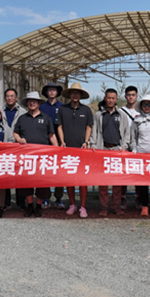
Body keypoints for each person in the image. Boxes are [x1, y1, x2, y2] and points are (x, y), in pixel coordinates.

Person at [14, 91, 59, 217]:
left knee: (41, 182)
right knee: (27, 182)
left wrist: (57, 151)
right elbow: (15, 132)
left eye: (35, 101)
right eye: (30, 101)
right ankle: (29, 206)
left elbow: (51, 135)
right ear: (27, 103)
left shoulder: (46, 118)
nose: (32, 103)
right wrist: (18, 139)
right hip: (26, 157)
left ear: (39, 103)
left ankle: (38, 206)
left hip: (42, 157)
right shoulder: (22, 118)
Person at [91, 88, 131, 217]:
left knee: (117, 181)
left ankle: (115, 206)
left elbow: (127, 133)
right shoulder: (99, 115)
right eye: (108, 98)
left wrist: (124, 146)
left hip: (117, 150)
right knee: (102, 181)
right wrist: (93, 145)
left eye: (113, 98)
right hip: (102, 149)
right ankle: (104, 207)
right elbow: (94, 132)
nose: (111, 100)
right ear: (105, 98)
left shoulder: (122, 115)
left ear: (116, 100)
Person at [57, 83, 94, 218]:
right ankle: (73, 204)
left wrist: (86, 141)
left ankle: (83, 206)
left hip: (82, 149)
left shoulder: (86, 110)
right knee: (69, 178)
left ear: (81, 95)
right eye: (73, 93)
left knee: (82, 180)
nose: (75, 95)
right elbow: (59, 126)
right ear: (69, 95)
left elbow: (89, 127)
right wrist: (62, 141)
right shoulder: (62, 109)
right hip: (67, 149)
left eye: (77, 93)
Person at [40, 82, 65, 208]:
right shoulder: (41, 107)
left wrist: (62, 141)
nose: (51, 92)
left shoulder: (62, 106)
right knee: (45, 171)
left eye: (54, 90)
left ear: (57, 92)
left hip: (59, 142)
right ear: (46, 92)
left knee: (59, 171)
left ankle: (59, 198)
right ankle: (45, 197)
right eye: (49, 90)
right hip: (44, 142)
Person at [2, 88, 27, 209]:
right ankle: (6, 202)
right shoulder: (0, 111)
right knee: (5, 173)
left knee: (20, 174)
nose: (10, 98)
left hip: (18, 146)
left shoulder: (22, 111)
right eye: (7, 96)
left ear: (16, 98)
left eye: (12, 96)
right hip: (4, 147)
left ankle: (20, 202)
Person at [120, 85, 140, 209]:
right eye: (129, 95)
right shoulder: (120, 111)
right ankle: (122, 198)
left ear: (137, 96)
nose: (131, 97)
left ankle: (139, 198)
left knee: (138, 173)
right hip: (124, 145)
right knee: (122, 173)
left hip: (138, 146)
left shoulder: (141, 111)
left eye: (133, 95)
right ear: (125, 96)